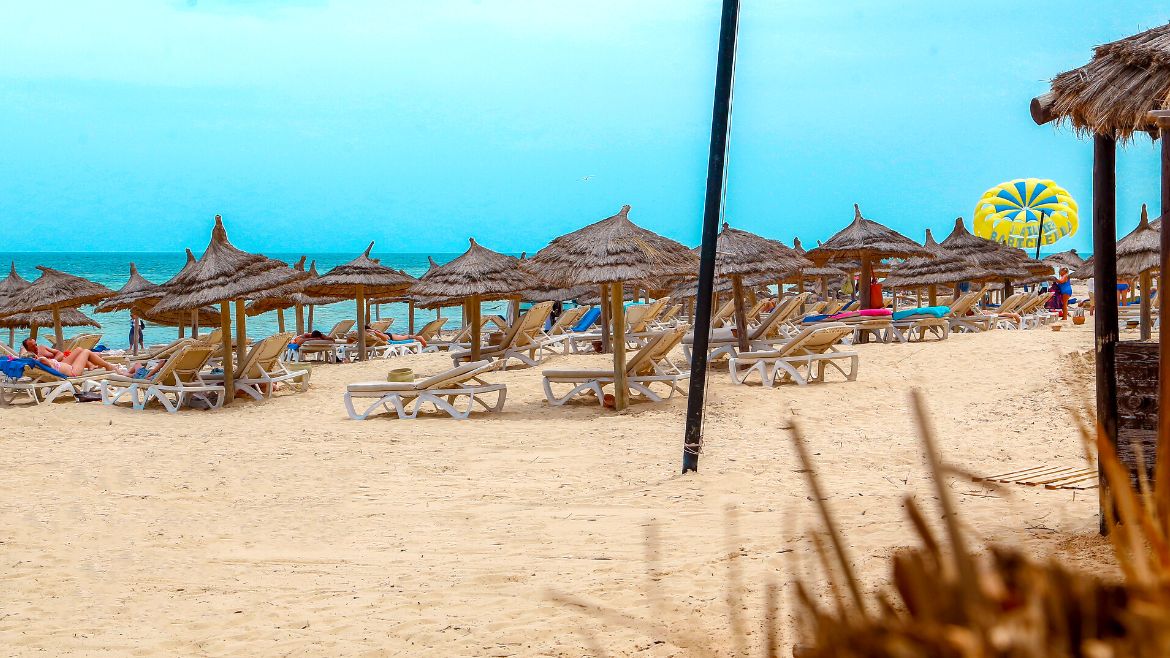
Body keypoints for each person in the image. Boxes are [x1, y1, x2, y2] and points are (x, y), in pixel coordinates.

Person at [21, 338, 130, 377]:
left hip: (63, 365)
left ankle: (98, 365)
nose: (36, 347)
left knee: (79, 350)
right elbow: (48, 364)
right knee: (86, 351)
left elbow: (59, 354)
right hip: (71, 371)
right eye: (33, 346)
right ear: (28, 349)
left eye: (36, 344)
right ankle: (108, 366)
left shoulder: (40, 354)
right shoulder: (40, 360)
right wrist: (41, 359)